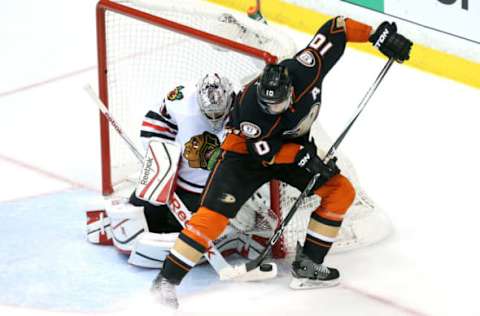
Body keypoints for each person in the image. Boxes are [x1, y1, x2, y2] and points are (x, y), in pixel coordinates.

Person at [152, 16, 412, 308]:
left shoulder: (307, 69)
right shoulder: (252, 109)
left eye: (277, 104)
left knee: (341, 192)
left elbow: (336, 27)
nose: (271, 109)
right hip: (244, 156)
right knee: (210, 218)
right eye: (267, 104)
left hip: (291, 149)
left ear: (290, 91)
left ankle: (309, 266)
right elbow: (266, 153)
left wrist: (375, 35)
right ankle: (166, 280)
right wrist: (306, 160)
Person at [87, 73, 277, 265]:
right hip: (176, 184)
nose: (213, 119)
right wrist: (162, 157)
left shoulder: (246, 109)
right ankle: (120, 225)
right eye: (208, 114)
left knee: (201, 225)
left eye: (219, 114)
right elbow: (157, 122)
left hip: (213, 195)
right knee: (146, 205)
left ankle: (237, 237)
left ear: (230, 99)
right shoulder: (180, 99)